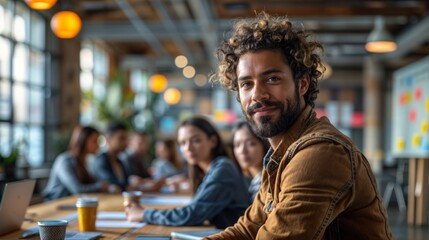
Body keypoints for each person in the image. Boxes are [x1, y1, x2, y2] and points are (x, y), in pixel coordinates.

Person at [206, 12, 393, 239]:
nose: (257, 95)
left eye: (272, 78)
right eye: (246, 84)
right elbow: (246, 231)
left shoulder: (321, 152)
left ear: (302, 84)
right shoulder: (281, 156)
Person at [125, 116, 251, 229]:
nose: (188, 148)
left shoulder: (223, 168)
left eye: (196, 140)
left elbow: (192, 214)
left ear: (212, 141)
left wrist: (144, 214)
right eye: (183, 143)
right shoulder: (211, 169)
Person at [43, 126, 117, 201]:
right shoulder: (65, 161)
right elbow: (77, 190)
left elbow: (91, 184)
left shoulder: (85, 162)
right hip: (54, 205)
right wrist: (100, 186)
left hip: (71, 204)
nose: (98, 145)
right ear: (83, 141)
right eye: (94, 141)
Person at [232, 120, 269, 201]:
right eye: (237, 145)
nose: (242, 151)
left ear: (264, 145)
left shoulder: (269, 181)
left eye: (251, 143)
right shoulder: (247, 181)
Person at [92, 122, 129, 191]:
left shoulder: (119, 161)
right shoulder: (100, 161)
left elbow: (126, 183)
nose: (125, 143)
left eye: (126, 139)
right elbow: (111, 183)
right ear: (108, 139)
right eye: (121, 138)